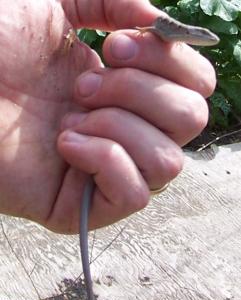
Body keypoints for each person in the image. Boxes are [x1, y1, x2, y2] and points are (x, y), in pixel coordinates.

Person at [0, 0, 216, 234]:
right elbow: (154, 27)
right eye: (204, 33)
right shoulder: (174, 31)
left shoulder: (176, 38)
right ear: (193, 31)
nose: (207, 36)